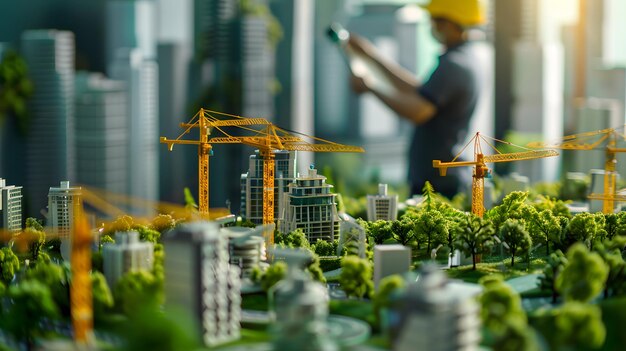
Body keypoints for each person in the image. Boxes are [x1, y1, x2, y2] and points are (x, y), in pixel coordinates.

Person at [347, 0, 487, 199]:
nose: (432, 26)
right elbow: (419, 92)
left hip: (438, 185)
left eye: (435, 20)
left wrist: (370, 87)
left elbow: (419, 111)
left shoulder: (454, 65)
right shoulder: (465, 59)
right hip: (443, 180)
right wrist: (370, 55)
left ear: (450, 23)